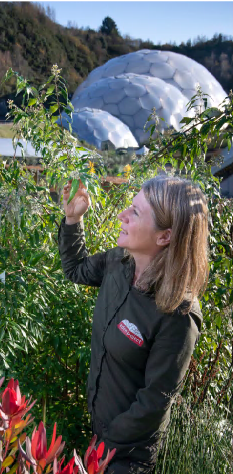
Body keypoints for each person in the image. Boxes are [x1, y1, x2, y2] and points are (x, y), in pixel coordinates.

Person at [58, 175, 209, 474]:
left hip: (127, 458)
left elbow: (152, 404)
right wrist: (72, 220)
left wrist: (102, 450)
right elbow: (76, 270)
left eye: (136, 212)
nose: (121, 215)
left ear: (165, 236)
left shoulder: (179, 314)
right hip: (100, 436)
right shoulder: (119, 263)